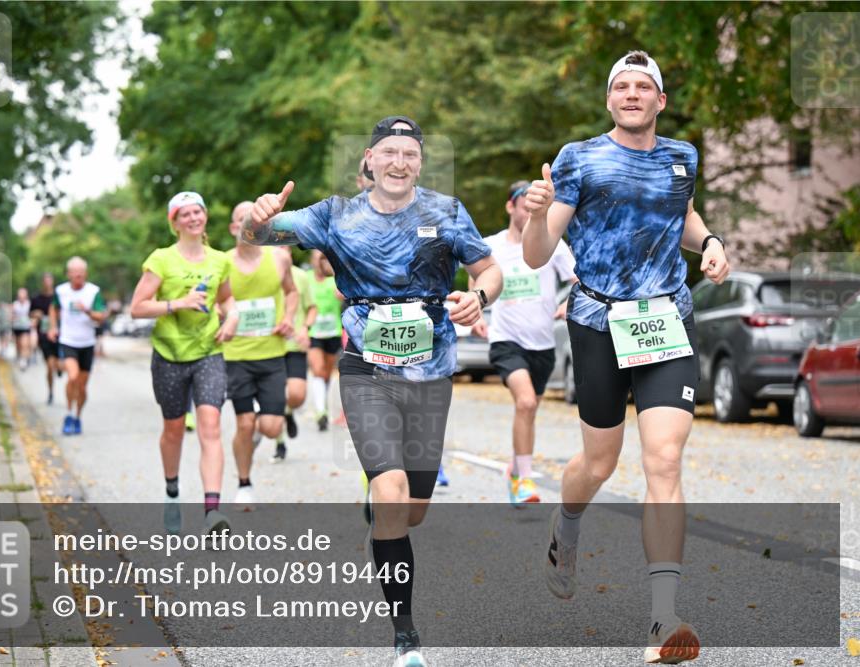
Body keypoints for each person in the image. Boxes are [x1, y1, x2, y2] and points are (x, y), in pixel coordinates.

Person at [242, 116, 502, 667]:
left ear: (420, 162)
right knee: (390, 492)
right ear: (369, 159)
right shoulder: (334, 215)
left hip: (431, 369)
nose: (399, 161)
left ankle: (385, 524)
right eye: (389, 151)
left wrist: (479, 295)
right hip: (366, 366)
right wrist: (257, 220)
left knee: (414, 510)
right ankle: (405, 635)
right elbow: (261, 236)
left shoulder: (447, 212)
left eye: (410, 153)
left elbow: (489, 268)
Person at [522, 51, 730, 665]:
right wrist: (536, 217)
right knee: (599, 461)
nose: (633, 93)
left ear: (660, 101)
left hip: (666, 318)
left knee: (664, 458)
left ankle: (663, 619)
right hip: (597, 322)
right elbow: (538, 255)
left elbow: (682, 217)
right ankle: (568, 521)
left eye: (644, 86)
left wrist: (711, 242)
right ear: (609, 100)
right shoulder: (578, 158)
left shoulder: (682, 158)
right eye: (622, 86)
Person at [130, 191, 238, 536]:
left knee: (211, 425)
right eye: (185, 214)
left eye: (198, 212)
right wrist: (177, 304)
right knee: (174, 429)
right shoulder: (161, 260)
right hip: (169, 355)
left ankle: (212, 512)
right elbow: (137, 307)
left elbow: (227, 298)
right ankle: (172, 492)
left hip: (208, 352)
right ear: (174, 222)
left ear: (205, 217)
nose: (193, 218)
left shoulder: (220, 260)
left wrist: (232, 317)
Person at [470, 181, 577, 506]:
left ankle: (516, 466)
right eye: (523, 204)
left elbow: (579, 279)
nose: (528, 211)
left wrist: (570, 301)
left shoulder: (553, 245)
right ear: (510, 207)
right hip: (506, 339)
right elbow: (476, 277)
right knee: (526, 403)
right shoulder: (491, 247)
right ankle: (523, 480)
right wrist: (476, 311)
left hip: (542, 343)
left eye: (534, 205)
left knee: (529, 411)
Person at [224, 201, 299, 507]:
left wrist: (288, 318)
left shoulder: (280, 257)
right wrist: (226, 316)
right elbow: (215, 301)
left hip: (271, 355)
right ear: (233, 228)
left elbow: (292, 291)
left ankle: (253, 435)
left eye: (256, 220)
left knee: (270, 427)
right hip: (236, 356)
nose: (250, 225)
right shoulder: (223, 264)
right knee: (243, 423)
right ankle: (244, 483)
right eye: (243, 220)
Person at [48, 257, 108, 436]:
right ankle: (68, 413)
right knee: (72, 377)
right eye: (74, 275)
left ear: (85, 275)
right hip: (68, 341)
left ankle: (77, 416)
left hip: (87, 343)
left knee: (82, 386)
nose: (78, 279)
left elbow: (101, 316)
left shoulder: (93, 291)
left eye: (81, 275)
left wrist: (87, 311)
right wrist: (53, 326)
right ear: (68, 275)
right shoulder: (61, 291)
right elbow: (53, 308)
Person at [270, 245, 316, 461]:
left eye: (284, 246)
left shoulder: (300, 276)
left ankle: (289, 413)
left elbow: (312, 308)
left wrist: (306, 328)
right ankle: (280, 445)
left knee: (297, 396)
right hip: (270, 345)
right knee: (277, 397)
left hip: (295, 344)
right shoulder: (263, 272)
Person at [306, 250, 343, 432]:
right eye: (317, 258)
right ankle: (320, 412)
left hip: (333, 331)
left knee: (327, 373)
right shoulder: (306, 279)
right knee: (318, 370)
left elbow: (343, 296)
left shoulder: (335, 279)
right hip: (313, 332)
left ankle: (323, 406)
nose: (320, 262)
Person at [31, 273, 59, 405]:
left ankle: (58, 368)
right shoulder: (36, 299)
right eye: (45, 280)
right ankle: (51, 392)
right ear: (43, 282)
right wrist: (36, 314)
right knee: (49, 366)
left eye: (50, 279)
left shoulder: (58, 296)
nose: (48, 282)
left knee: (58, 364)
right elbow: (30, 314)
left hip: (60, 335)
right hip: (44, 335)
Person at [12, 287, 33, 370]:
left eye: (23, 293)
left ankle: (23, 360)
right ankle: (19, 356)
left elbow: (32, 315)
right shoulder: (15, 304)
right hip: (17, 327)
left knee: (24, 344)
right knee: (18, 344)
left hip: (26, 327)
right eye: (20, 293)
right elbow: (11, 315)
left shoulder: (29, 304)